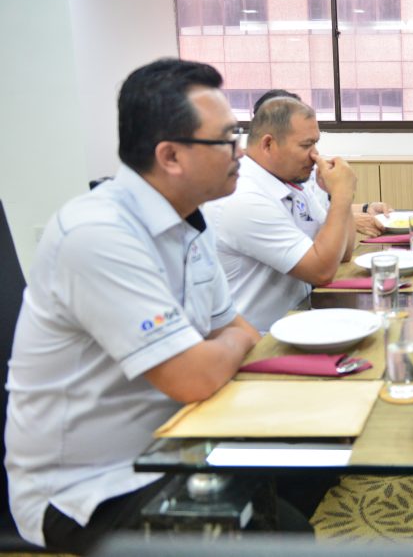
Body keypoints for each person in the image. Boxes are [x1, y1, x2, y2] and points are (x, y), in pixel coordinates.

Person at [4, 59, 263, 552]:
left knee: (294, 495)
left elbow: (238, 329)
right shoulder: (98, 234)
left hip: (177, 445)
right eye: (228, 139)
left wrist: (219, 348)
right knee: (273, 537)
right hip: (91, 487)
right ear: (170, 156)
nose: (241, 154)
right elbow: (194, 375)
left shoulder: (188, 219)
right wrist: (217, 351)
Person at [206, 96, 359, 334]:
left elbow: (343, 253)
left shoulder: (290, 181)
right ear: (268, 144)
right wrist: (341, 195)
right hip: (257, 345)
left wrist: (342, 197)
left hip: (298, 322)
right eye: (306, 145)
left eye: (316, 144)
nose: (315, 155)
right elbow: (321, 271)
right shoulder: (244, 196)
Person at [252, 89, 391, 236]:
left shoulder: (301, 173)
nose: (315, 154)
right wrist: (345, 200)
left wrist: (365, 208)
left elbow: (322, 213)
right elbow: (315, 232)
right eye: (305, 144)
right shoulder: (255, 193)